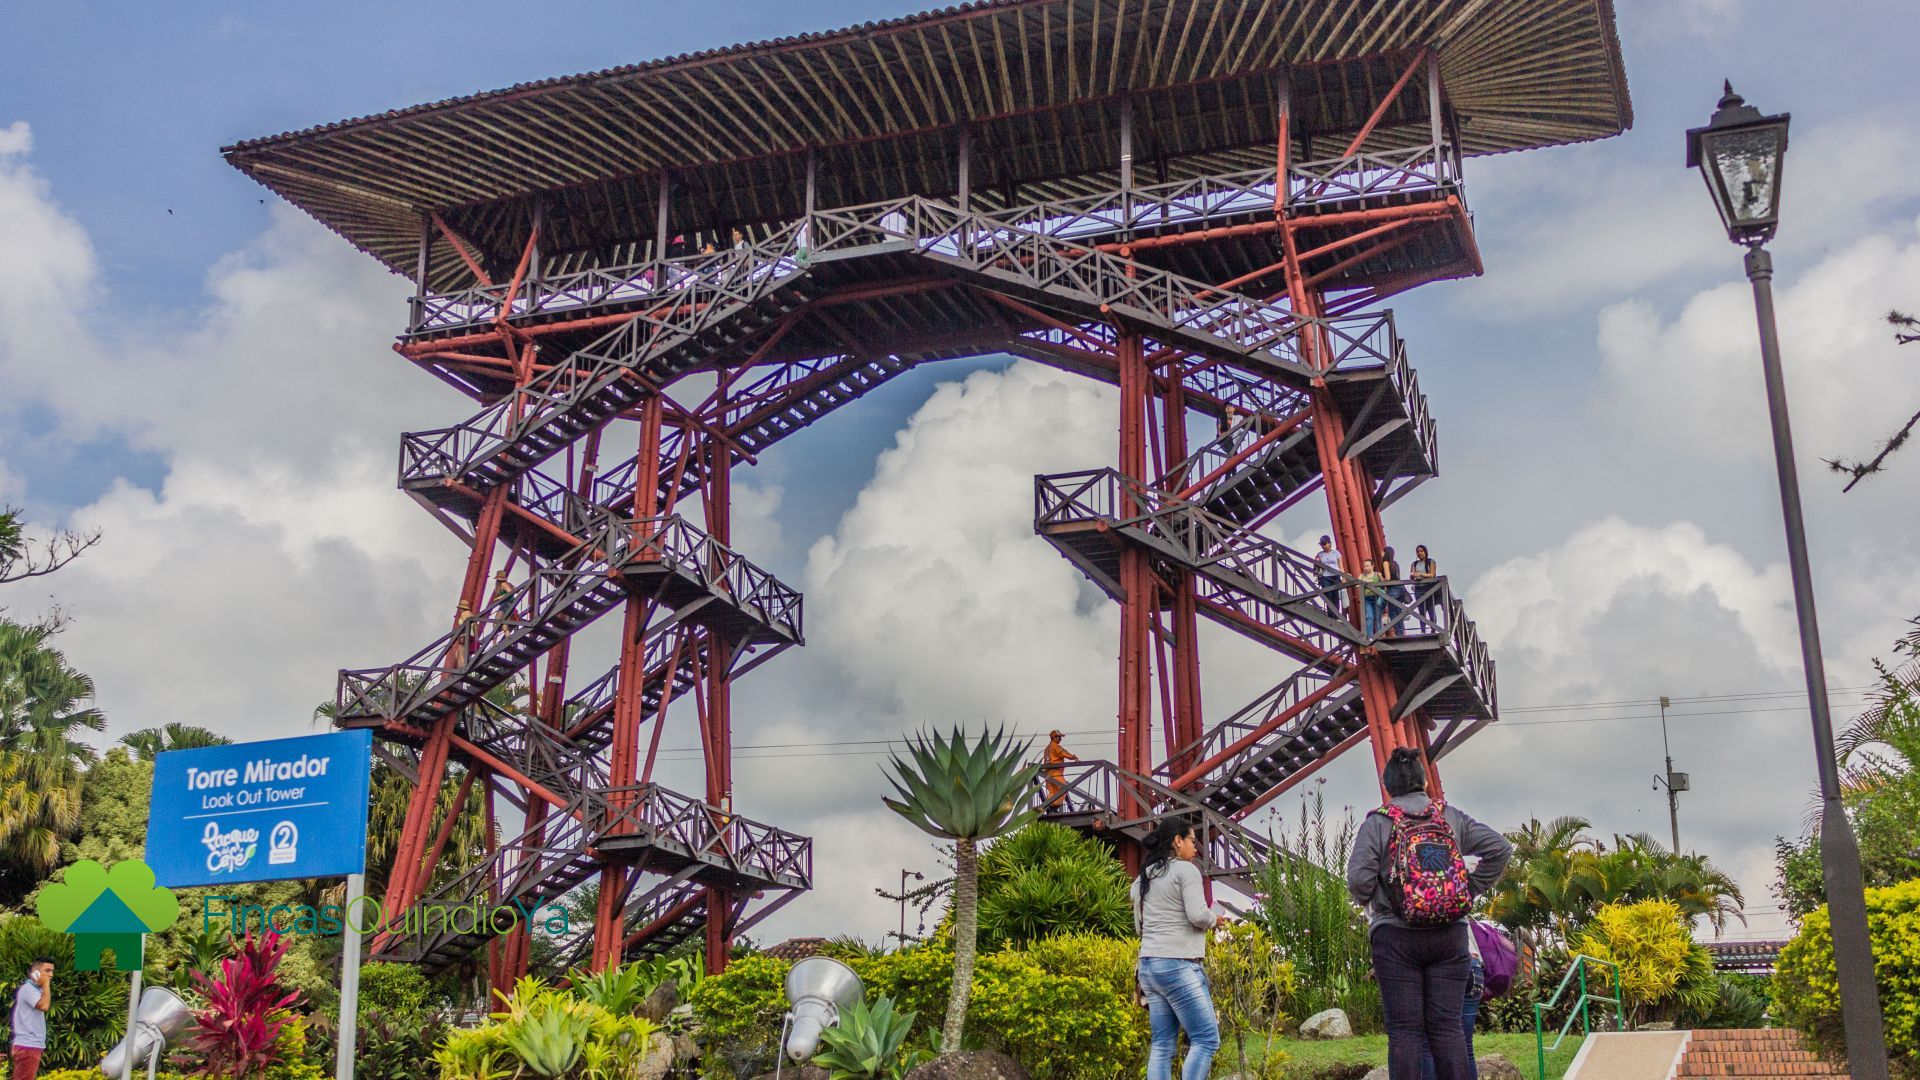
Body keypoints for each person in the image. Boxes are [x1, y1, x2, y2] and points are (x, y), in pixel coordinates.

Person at [1347, 749, 1512, 1080]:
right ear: (1423, 781)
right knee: (1448, 1028)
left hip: (1395, 937)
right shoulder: (1449, 817)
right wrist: (1467, 889)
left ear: (1388, 786)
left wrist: (1378, 901)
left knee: (1405, 1031)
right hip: (1449, 935)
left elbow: (1357, 880)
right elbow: (1500, 848)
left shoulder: (1378, 822)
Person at [1133, 817, 1223, 1080]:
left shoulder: (1141, 879)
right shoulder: (1186, 871)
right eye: (1193, 841)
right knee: (1206, 1039)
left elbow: (1140, 928)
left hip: (1149, 966)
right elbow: (1197, 915)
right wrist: (1214, 919)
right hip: (1178, 964)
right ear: (1177, 841)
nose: (1195, 848)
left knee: (1162, 1045)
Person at [1420, 926, 1486, 1080]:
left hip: (1450, 965)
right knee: (1466, 1046)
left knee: (1428, 1044)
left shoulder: (1424, 908)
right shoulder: (1457, 906)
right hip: (1475, 968)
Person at [11, 958, 51, 1080]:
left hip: (30, 1046)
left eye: (52, 971)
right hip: (28, 1047)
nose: (51, 975)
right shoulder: (28, 989)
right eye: (47, 970)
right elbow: (44, 1006)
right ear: (36, 972)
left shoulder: (35, 990)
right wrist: (45, 984)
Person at [1041, 729, 1079, 803]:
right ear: (1053, 738)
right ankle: (1055, 806)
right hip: (1055, 771)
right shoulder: (1055, 746)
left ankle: (1049, 806)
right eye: (1059, 737)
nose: (1060, 739)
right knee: (1063, 788)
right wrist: (1074, 757)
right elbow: (1064, 753)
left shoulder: (1047, 748)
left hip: (1048, 773)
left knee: (1052, 792)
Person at [1381, 546, 1409, 637]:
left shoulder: (1385, 562)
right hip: (1400, 588)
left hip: (1392, 589)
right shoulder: (1395, 563)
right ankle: (1401, 632)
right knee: (1399, 612)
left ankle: (1397, 632)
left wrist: (1381, 581)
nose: (1381, 554)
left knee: (1392, 613)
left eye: (1383, 552)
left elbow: (1388, 578)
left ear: (1386, 553)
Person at [1410, 545, 1439, 627]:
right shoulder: (1414, 564)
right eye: (1418, 552)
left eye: (1421, 551)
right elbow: (1412, 574)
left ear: (1425, 552)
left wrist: (1421, 575)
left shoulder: (1431, 561)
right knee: (1421, 610)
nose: (1419, 553)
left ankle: (1433, 628)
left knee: (1430, 608)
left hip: (1429, 587)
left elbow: (1432, 574)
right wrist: (1414, 576)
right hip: (1418, 588)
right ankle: (1423, 630)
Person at [1315, 536, 1344, 617]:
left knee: (1335, 595)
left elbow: (1341, 566)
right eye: (1321, 544)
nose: (1323, 546)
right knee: (1328, 595)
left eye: (1324, 544)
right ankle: (1331, 615)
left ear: (1329, 543)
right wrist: (1317, 562)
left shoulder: (1336, 553)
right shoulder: (1320, 554)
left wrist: (1343, 577)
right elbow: (1316, 566)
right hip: (1325, 576)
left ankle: (1336, 615)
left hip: (1335, 576)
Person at [1359, 558, 1386, 638]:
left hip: (1377, 598)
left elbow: (1384, 584)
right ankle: (1370, 637)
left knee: (1377, 617)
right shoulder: (1362, 576)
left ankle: (1379, 636)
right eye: (1364, 566)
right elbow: (1356, 585)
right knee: (1369, 617)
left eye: (1367, 566)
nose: (1365, 568)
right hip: (1367, 599)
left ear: (1372, 566)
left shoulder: (1378, 574)